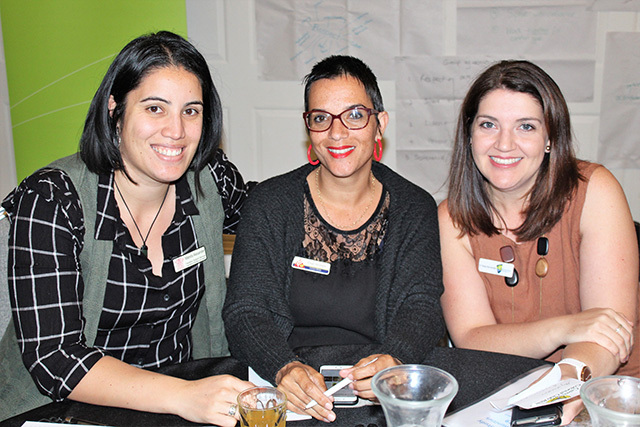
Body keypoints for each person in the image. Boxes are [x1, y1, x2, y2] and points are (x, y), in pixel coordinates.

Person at [0, 31, 253, 425]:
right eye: (155, 109)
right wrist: (184, 396)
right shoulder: (52, 198)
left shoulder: (211, 180)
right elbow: (56, 358)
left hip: (178, 405)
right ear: (114, 110)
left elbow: (277, 218)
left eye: (191, 111)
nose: (176, 131)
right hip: (65, 413)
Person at [223, 55, 445, 423]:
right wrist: (282, 367)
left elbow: (421, 306)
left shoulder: (414, 207)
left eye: (355, 115)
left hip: (376, 393)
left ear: (380, 124)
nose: (337, 133)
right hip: (287, 388)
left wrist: (395, 360)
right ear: (308, 127)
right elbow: (245, 311)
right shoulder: (270, 203)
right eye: (321, 118)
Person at [439, 60, 639, 424]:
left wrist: (564, 384)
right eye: (488, 125)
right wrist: (564, 328)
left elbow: (610, 330)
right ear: (469, 134)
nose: (504, 144)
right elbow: (471, 337)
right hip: (507, 395)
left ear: (550, 138)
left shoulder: (595, 190)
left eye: (526, 127)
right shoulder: (449, 219)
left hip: (607, 391)